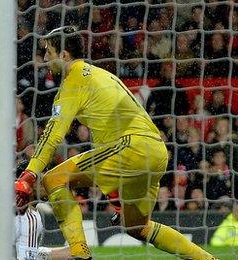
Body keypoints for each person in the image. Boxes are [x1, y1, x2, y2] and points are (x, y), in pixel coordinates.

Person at [14, 26, 216, 260]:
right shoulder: (104, 76)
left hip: (132, 147)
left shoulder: (74, 81)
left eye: (48, 52)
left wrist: (29, 174)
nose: (45, 59)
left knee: (53, 179)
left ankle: (79, 251)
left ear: (64, 55)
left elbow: (53, 135)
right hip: (155, 152)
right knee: (137, 227)